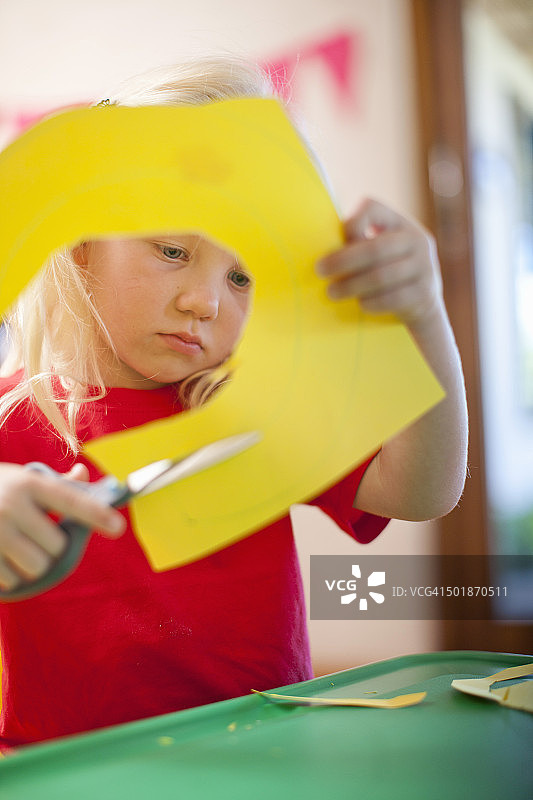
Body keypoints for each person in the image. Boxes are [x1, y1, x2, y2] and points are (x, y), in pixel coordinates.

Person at [0, 57, 467, 750]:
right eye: (171, 250)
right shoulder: (11, 419)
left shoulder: (260, 411)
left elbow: (423, 490)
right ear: (83, 244)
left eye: (243, 276)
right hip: (63, 774)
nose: (204, 302)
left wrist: (423, 314)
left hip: (259, 758)